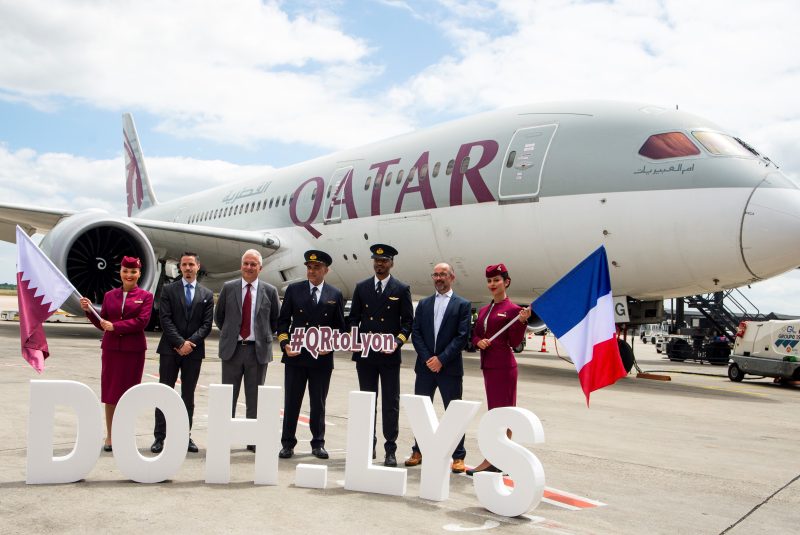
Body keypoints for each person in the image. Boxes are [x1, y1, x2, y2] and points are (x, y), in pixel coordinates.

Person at [348, 244, 413, 467]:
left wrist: (397, 342)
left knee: (390, 403)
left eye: (384, 261)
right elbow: (354, 318)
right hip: (366, 355)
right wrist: (354, 338)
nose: (379, 264)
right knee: (367, 402)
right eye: (376, 260)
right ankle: (368, 445)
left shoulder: (401, 288)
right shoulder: (362, 287)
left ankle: (390, 449)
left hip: (389, 355)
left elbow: (407, 323)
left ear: (391, 263)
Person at [79, 256, 154, 452]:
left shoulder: (146, 296)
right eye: (125, 271)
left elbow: (142, 321)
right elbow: (102, 323)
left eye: (133, 272)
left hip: (133, 351)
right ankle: (111, 436)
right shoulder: (110, 295)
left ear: (139, 273)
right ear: (120, 272)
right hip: (112, 350)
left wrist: (116, 326)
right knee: (111, 393)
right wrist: (89, 312)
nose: (129, 275)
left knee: (130, 394)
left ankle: (126, 434)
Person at [276, 250, 345, 459]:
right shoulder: (294, 290)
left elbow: (340, 329)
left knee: (318, 403)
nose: (312, 271)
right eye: (309, 267)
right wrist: (285, 344)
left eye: (316, 267)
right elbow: (282, 322)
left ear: (326, 270)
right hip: (296, 356)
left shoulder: (335, 295)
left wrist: (331, 343)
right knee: (292, 401)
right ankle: (287, 443)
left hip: (321, 358)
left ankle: (318, 443)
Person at [404, 262, 471, 473]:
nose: (439, 278)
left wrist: (441, 359)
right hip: (425, 368)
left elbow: (462, 337)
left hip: (449, 368)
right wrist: (428, 359)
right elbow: (416, 334)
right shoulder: (423, 304)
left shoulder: (462, 304)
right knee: (421, 411)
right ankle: (419, 450)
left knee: (454, 412)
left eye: (443, 274)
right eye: (435, 275)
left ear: (452, 277)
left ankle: (458, 456)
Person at [466, 263, 530, 475]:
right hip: (489, 367)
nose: (492, 284)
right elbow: (475, 334)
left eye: (497, 280)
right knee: (494, 415)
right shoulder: (484, 310)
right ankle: (496, 458)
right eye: (490, 281)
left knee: (505, 415)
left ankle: (500, 459)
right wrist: (478, 342)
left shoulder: (513, 311)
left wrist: (521, 322)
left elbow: (515, 342)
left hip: (504, 368)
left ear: (506, 282)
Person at [215, 249, 280, 452]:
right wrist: (232, 334)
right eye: (246, 263)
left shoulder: (270, 291)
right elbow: (220, 316)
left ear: (260, 268)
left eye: (253, 264)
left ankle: (253, 439)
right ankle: (225, 437)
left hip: (257, 351)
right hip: (232, 350)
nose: (249, 267)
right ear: (241, 266)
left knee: (254, 399)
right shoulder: (229, 288)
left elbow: (274, 320)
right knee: (228, 398)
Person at [150, 252, 214, 454]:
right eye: (184, 265)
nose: (187, 268)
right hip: (170, 350)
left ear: (197, 266)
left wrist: (190, 343)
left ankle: (184, 436)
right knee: (164, 393)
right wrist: (179, 343)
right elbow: (165, 319)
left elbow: (206, 325)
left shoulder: (206, 294)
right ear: (180, 267)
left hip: (193, 353)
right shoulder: (169, 290)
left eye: (191, 265)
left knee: (188, 395)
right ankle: (160, 437)